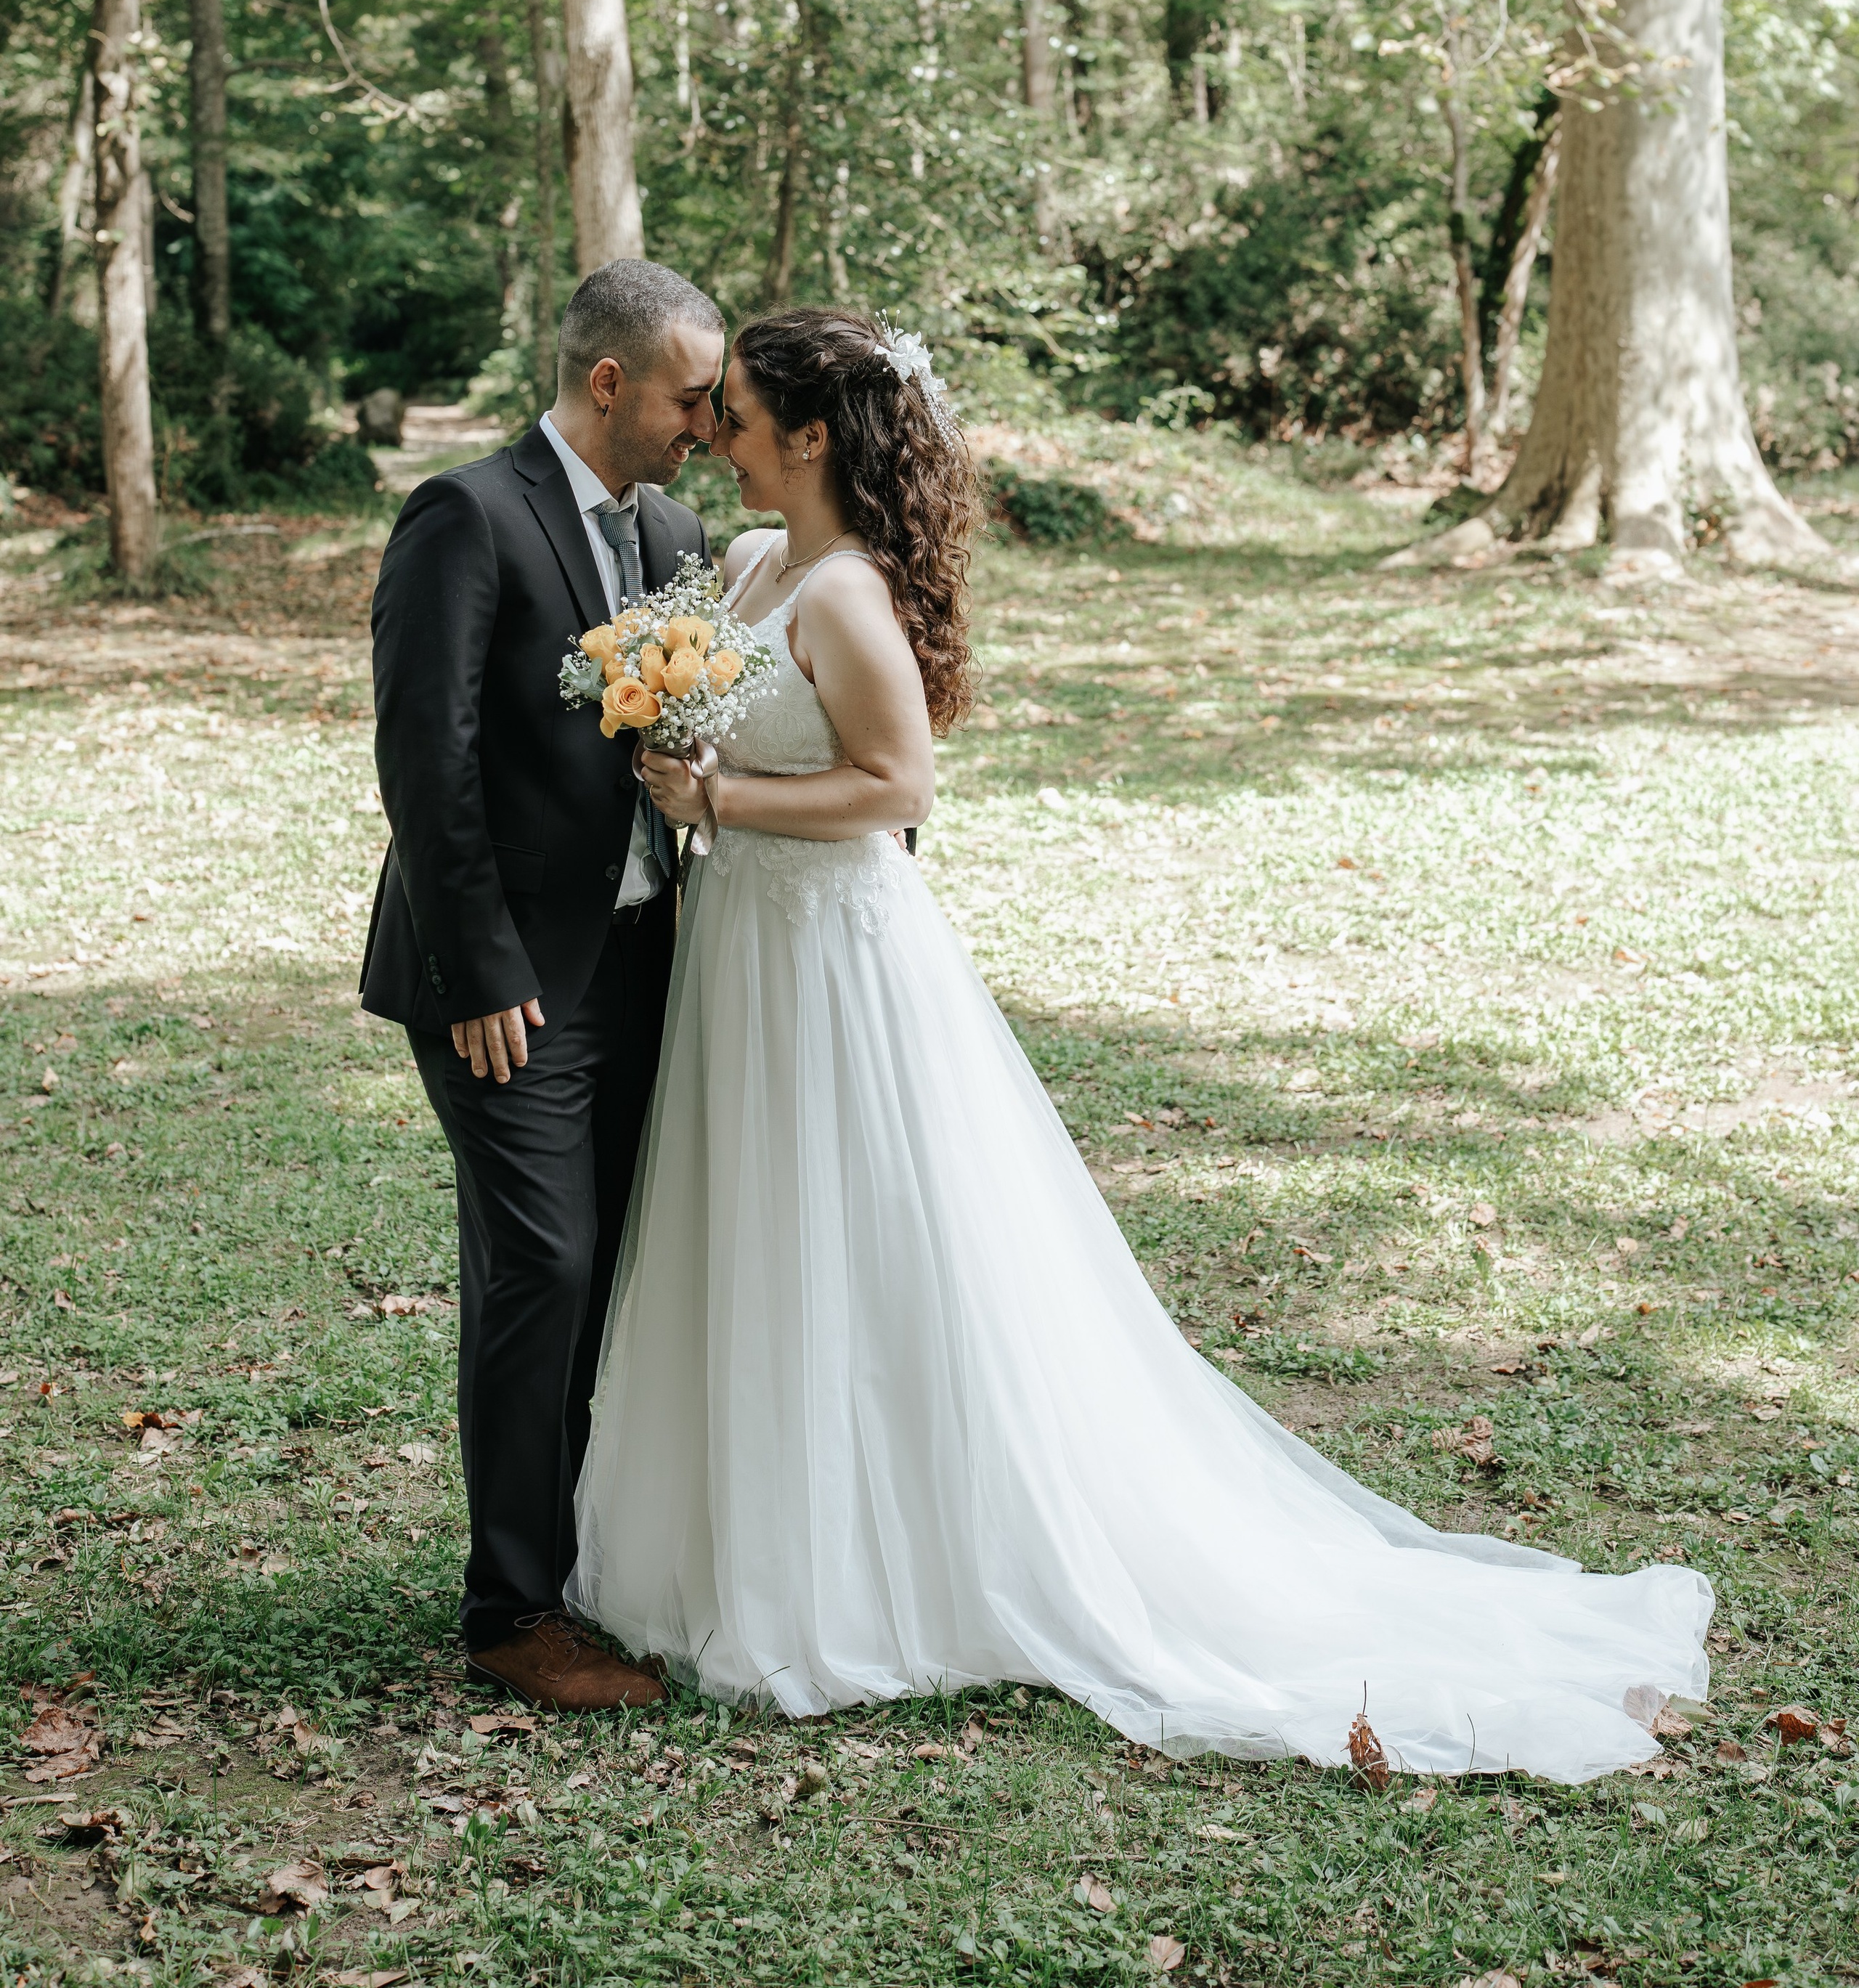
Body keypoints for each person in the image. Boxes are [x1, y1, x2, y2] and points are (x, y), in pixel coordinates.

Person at [568, 307, 1714, 1780]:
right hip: (741, 955)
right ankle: (746, 1547)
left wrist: (721, 806)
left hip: (831, 955)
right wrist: (683, 752)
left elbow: (892, 787)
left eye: (731, 408)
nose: (707, 425)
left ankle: (887, 1570)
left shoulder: (843, 595)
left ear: (802, 436)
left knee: (866, 1234)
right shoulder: (738, 566)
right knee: (754, 1229)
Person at [362, 257, 723, 1711]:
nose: (708, 424)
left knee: (611, 1267)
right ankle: (511, 1608)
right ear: (609, 382)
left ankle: (582, 1563)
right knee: (543, 1265)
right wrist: (476, 967)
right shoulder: (467, 515)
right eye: (693, 399)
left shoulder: (674, 530)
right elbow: (424, 757)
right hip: (504, 981)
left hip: (642, 964)